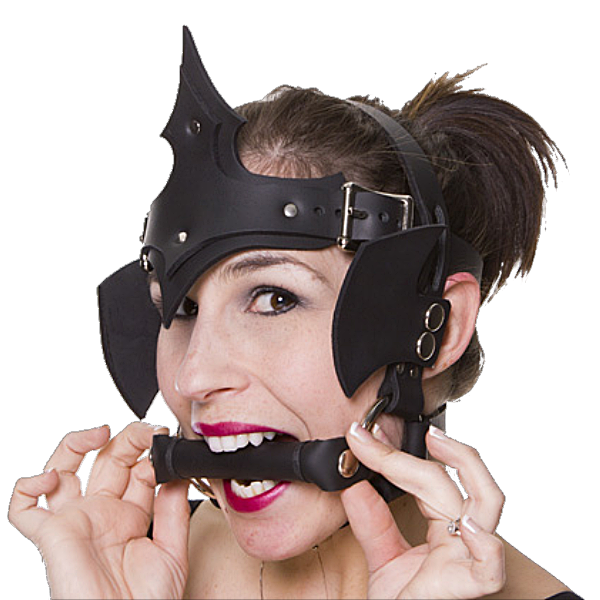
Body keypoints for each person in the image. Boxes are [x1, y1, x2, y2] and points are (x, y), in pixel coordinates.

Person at [9, 28, 580, 600]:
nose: (192, 378)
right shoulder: (127, 577)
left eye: (274, 299)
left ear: (437, 326)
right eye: (181, 308)